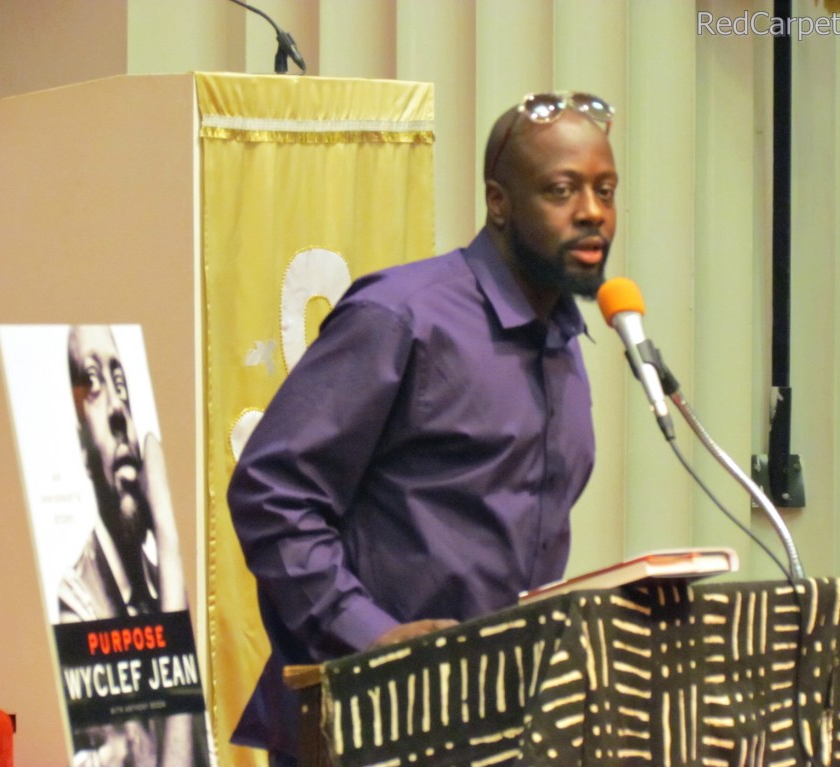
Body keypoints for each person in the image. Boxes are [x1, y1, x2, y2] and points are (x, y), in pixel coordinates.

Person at [227, 92, 619, 767]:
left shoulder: (561, 336)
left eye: (605, 190)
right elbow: (272, 492)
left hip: (499, 722)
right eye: (562, 190)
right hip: (370, 719)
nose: (591, 212)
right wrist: (371, 635)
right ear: (499, 202)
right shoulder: (402, 316)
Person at [61, 325, 199, 767]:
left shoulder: (163, 586)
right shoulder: (77, 605)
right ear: (81, 443)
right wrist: (172, 548)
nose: (120, 408)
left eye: (122, 385)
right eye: (95, 386)